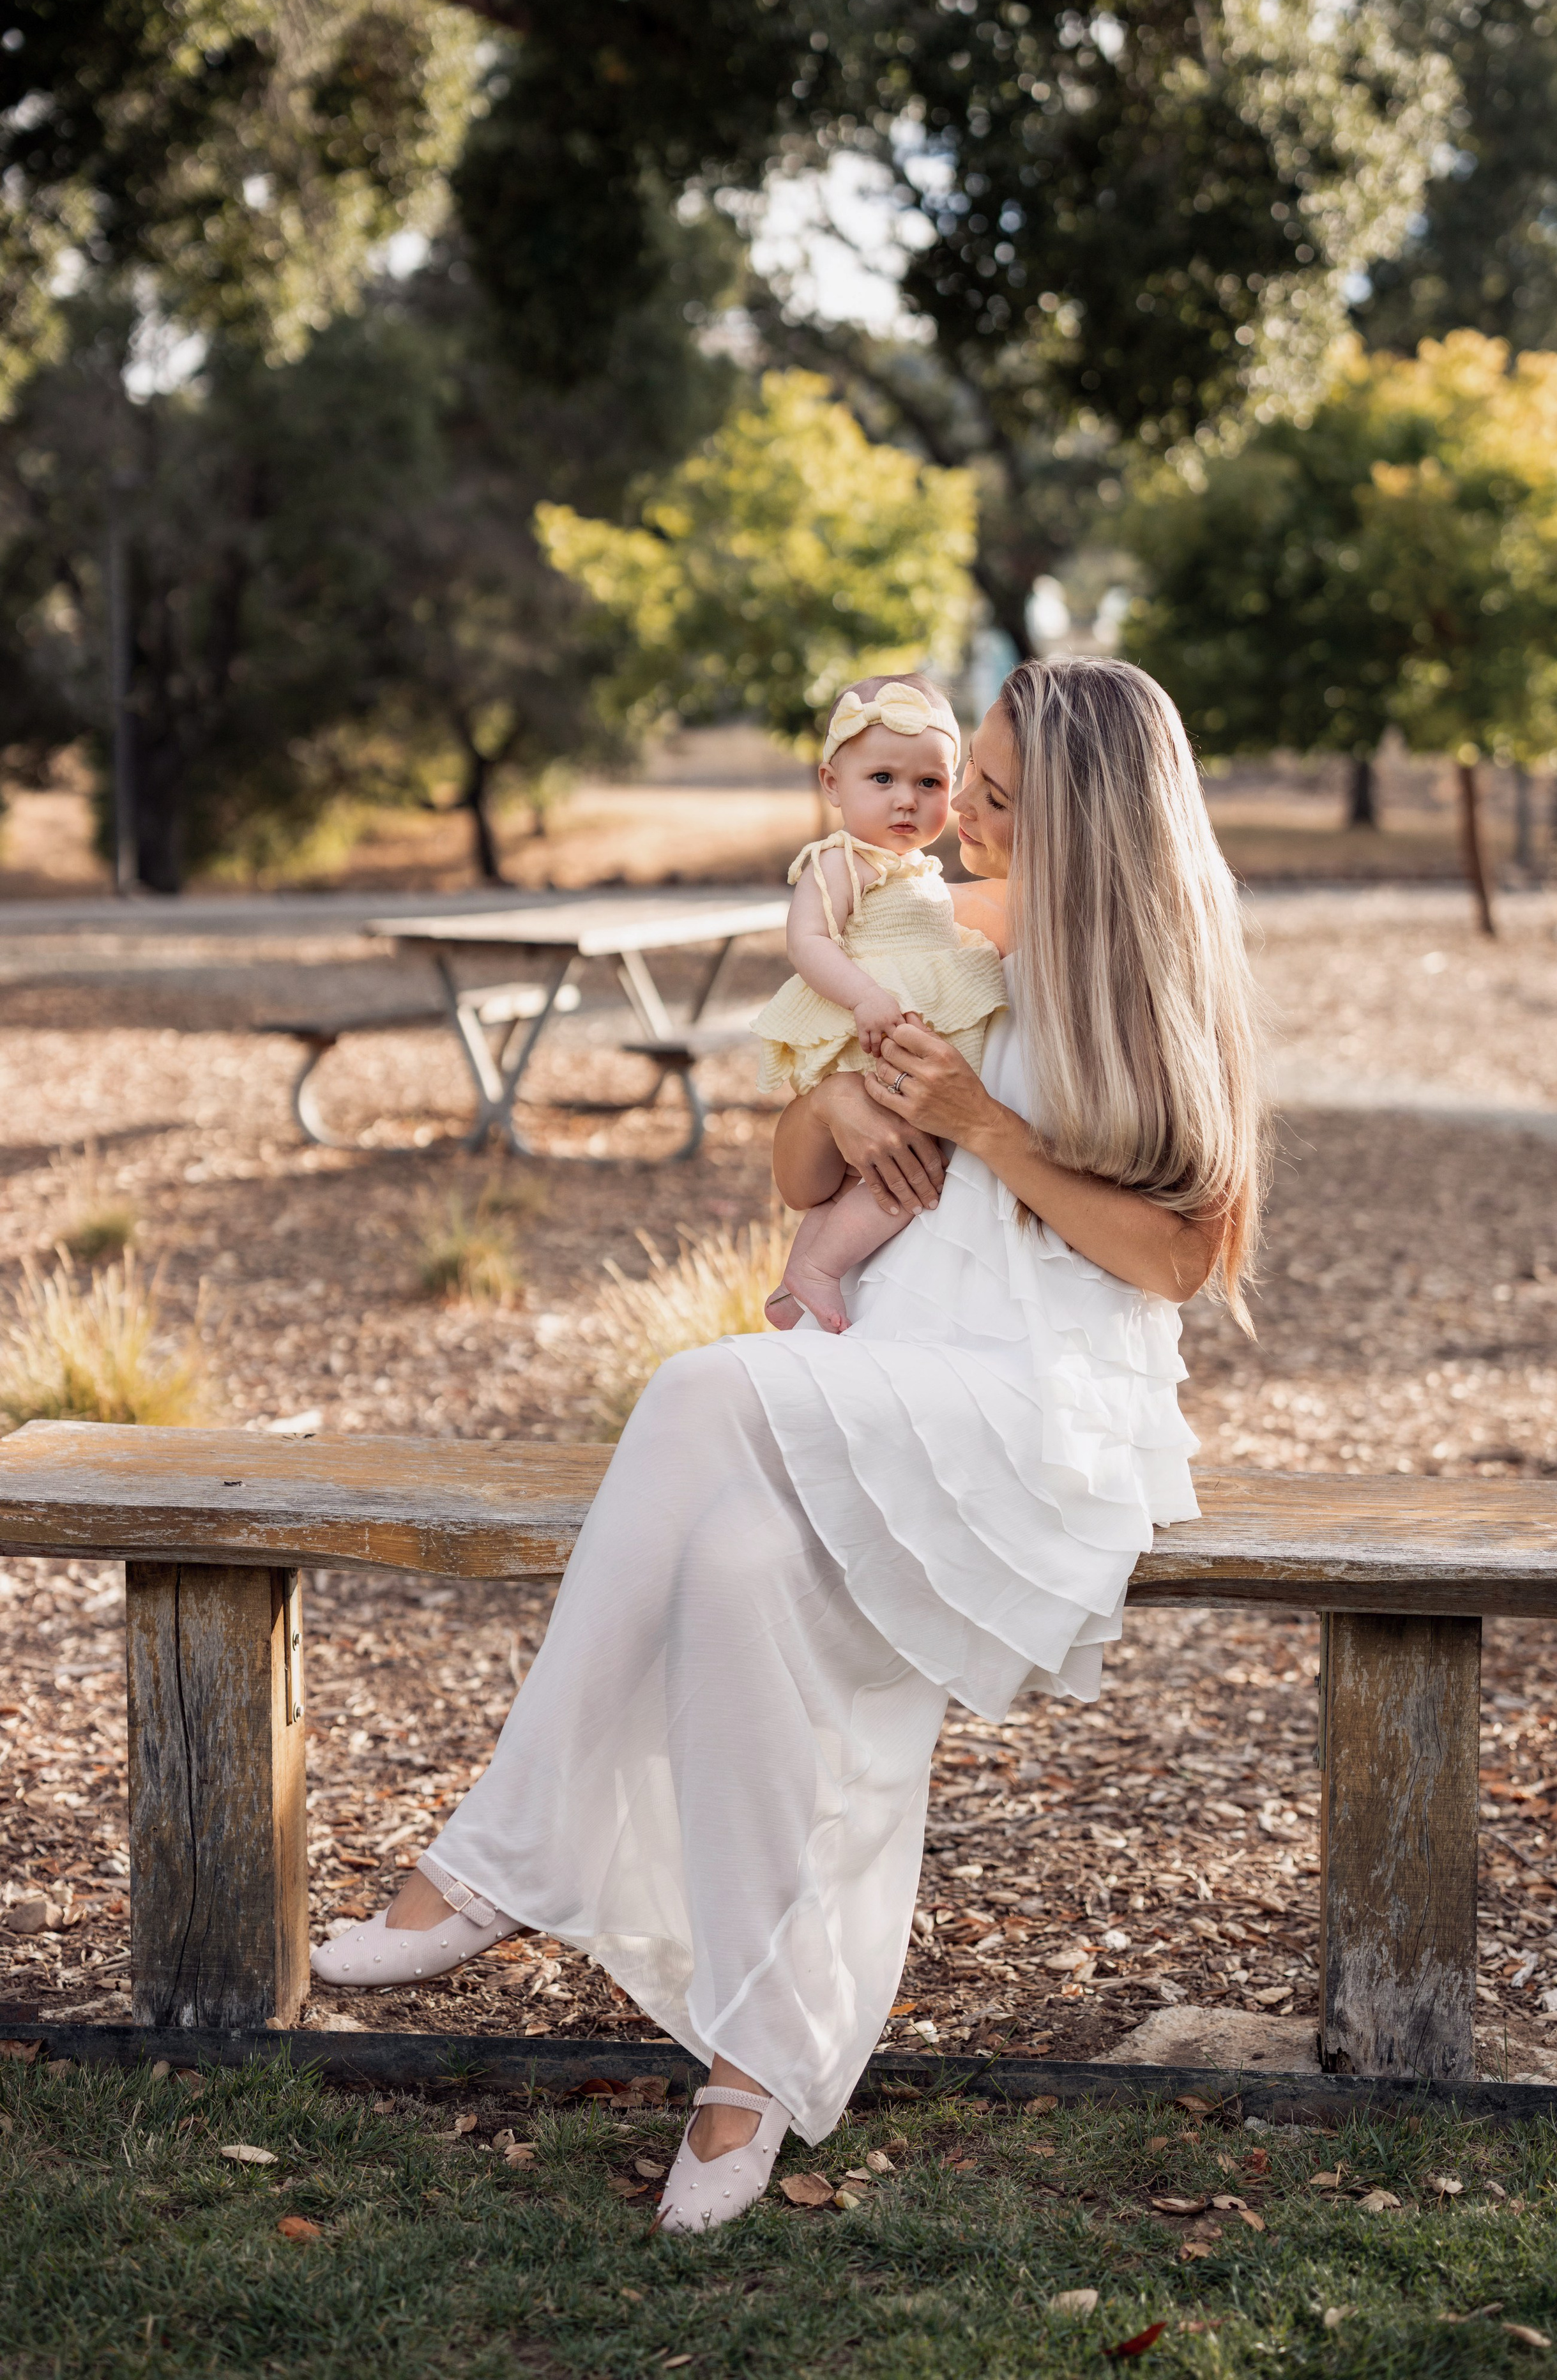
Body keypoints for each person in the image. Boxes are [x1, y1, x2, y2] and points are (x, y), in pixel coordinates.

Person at [310, 656, 1262, 2236]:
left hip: (1034, 1409)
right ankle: (753, 2060)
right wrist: (851, 1105)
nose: (960, 817)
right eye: (972, 784)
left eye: (1006, 801)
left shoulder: (1153, 981)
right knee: (742, 1575)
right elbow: (790, 1159)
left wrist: (977, 1122)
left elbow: (1175, 1259)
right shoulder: (926, 930)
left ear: (1092, 824)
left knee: (697, 1388)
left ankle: (499, 1857)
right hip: (880, 1368)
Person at [752, 671, 1007, 1331]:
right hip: (869, 1032)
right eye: (882, 780)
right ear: (833, 785)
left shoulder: (921, 871)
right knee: (914, 1166)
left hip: (902, 1028)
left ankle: (795, 1283)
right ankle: (819, 1267)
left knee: (859, 1174)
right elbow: (805, 941)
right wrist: (866, 997)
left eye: (929, 784)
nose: (907, 802)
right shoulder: (839, 860)